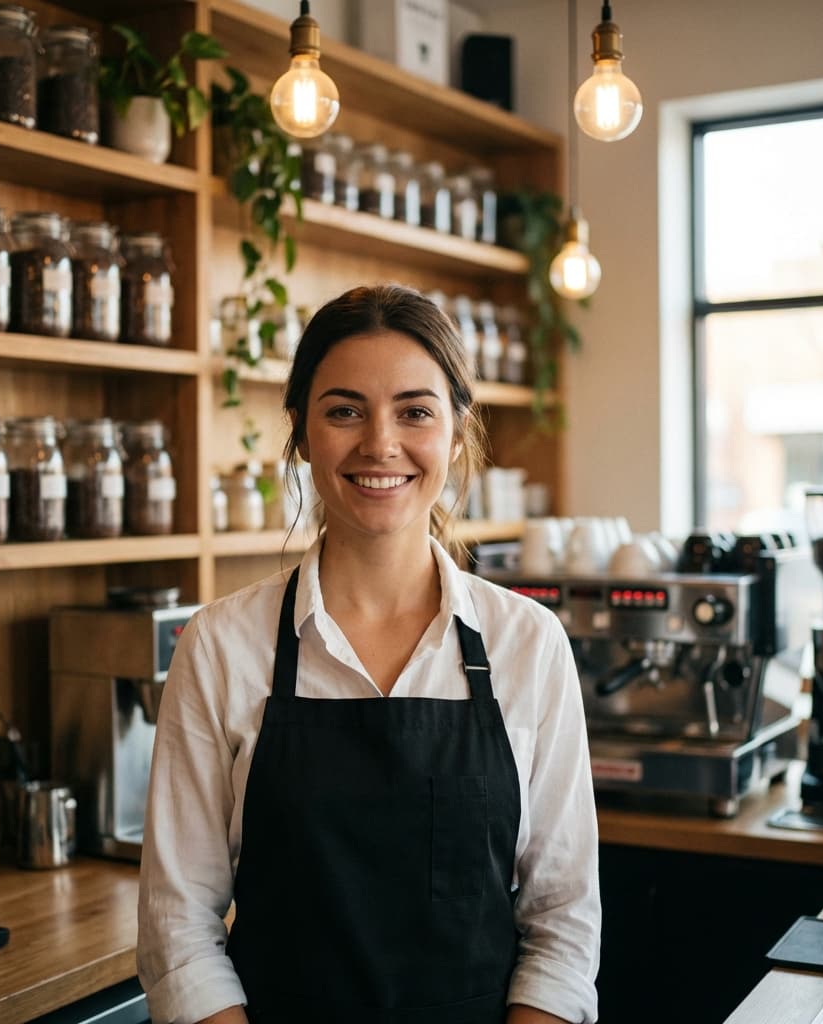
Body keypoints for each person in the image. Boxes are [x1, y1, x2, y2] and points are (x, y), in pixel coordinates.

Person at [137, 284, 600, 1024]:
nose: (380, 444)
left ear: (454, 435)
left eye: (414, 411)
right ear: (300, 432)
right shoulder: (222, 646)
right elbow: (177, 931)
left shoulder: (528, 645)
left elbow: (563, 926)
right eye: (344, 410)